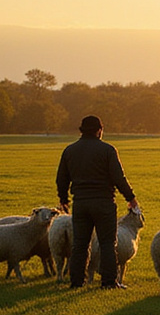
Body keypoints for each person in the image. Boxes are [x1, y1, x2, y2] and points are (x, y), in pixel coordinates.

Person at [55, 115, 139, 289]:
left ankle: (76, 281)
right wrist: (130, 197)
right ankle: (109, 282)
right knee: (108, 243)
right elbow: (118, 177)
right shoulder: (108, 150)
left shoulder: (70, 150)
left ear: (82, 130)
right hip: (104, 203)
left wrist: (63, 199)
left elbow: (61, 178)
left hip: (81, 203)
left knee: (80, 244)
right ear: (99, 130)